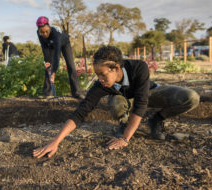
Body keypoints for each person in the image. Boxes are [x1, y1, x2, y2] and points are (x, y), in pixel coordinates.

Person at [33, 46, 200, 158]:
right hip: (126, 100)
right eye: (97, 75)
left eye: (103, 74)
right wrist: (55, 141)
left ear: (117, 69)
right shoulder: (102, 85)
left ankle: (156, 119)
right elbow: (81, 111)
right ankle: (124, 123)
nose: (100, 79)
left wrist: (125, 139)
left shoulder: (139, 67)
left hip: (150, 92)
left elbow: (142, 102)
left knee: (191, 97)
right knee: (116, 103)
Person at [36, 16, 84, 99]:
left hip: (64, 44)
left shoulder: (56, 34)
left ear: (49, 27)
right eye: (42, 32)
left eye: (46, 31)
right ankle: (47, 93)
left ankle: (77, 93)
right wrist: (47, 61)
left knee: (71, 66)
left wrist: (53, 72)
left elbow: (57, 55)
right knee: (48, 67)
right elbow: (44, 48)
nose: (45, 34)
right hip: (49, 45)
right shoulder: (39, 33)